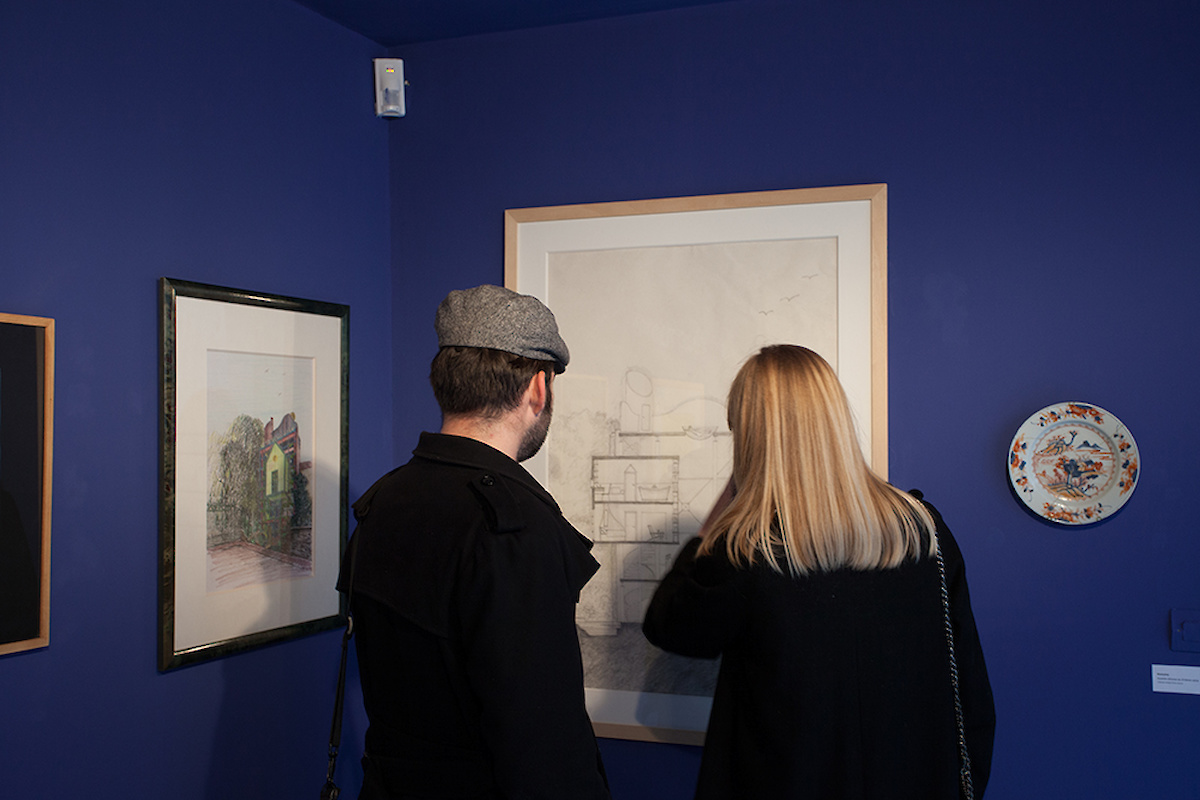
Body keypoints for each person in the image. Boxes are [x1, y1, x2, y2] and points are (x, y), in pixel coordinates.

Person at [643, 344, 995, 799]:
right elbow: (969, 681)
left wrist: (711, 527)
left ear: (749, 435)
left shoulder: (746, 549)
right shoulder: (923, 528)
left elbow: (671, 628)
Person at [338, 285, 611, 800]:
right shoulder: (514, 527)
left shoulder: (383, 501)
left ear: (444, 382)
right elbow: (544, 745)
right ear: (538, 388)